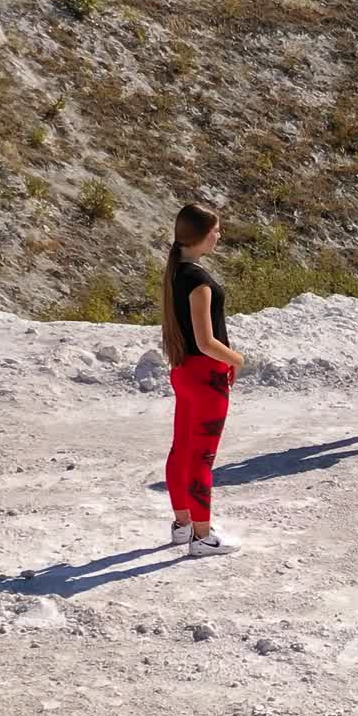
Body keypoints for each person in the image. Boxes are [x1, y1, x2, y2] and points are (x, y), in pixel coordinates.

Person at [162, 204, 244, 557]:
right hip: (206, 377)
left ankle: (182, 526)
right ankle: (202, 535)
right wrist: (237, 358)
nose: (219, 235)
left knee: (181, 450)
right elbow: (205, 341)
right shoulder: (199, 281)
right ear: (200, 236)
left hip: (183, 372)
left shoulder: (177, 271)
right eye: (215, 230)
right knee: (202, 458)